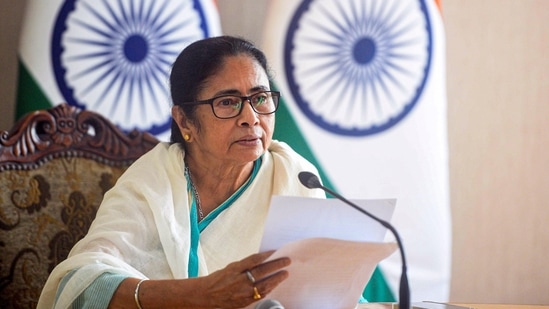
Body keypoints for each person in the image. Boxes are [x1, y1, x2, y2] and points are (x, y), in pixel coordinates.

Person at [37, 35, 325, 308]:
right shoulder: (153, 181)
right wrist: (201, 296)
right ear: (185, 122)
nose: (251, 118)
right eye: (227, 102)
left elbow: (326, 286)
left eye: (260, 98)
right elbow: (80, 287)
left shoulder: (294, 176)